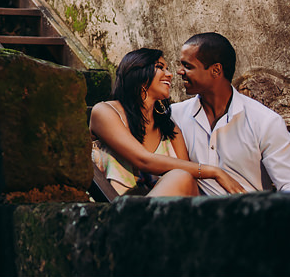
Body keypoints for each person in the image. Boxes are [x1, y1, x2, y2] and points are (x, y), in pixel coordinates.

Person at [90, 48, 243, 196]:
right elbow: (143, 160)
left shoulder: (169, 129)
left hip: (161, 209)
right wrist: (215, 172)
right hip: (114, 209)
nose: (169, 74)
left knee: (184, 178)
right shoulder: (105, 111)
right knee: (181, 176)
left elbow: (189, 180)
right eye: (160, 67)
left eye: (167, 69)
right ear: (138, 72)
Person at [172, 32, 290, 194]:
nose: (179, 71)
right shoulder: (175, 116)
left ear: (216, 70)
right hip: (194, 209)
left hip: (249, 208)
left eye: (188, 66)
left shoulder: (264, 121)